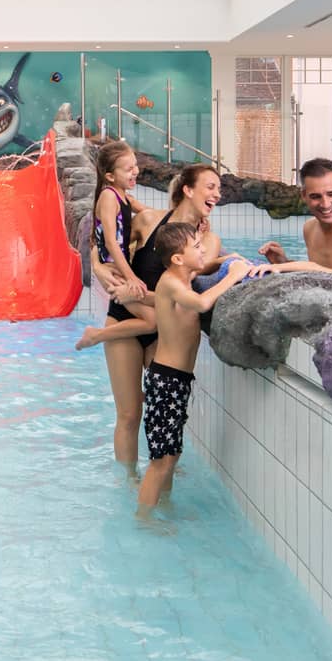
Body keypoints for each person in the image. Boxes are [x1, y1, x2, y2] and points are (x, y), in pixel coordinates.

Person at [77, 164, 238, 476]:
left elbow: (186, 285)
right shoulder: (149, 220)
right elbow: (106, 243)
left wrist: (227, 262)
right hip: (125, 320)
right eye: (210, 186)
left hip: (164, 330)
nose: (217, 194)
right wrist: (98, 268)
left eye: (219, 189)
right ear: (188, 190)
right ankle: (129, 481)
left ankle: (158, 471)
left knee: (157, 410)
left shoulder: (208, 242)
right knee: (128, 413)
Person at [137, 221, 245, 515]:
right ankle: (144, 518)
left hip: (178, 381)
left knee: (172, 454)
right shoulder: (171, 283)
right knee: (160, 460)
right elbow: (200, 303)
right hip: (166, 381)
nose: (203, 250)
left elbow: (205, 267)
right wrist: (232, 276)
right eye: (197, 247)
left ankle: (164, 505)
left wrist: (226, 260)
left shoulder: (182, 275)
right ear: (177, 259)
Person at [88, 142, 152, 328]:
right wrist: (130, 276)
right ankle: (95, 335)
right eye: (128, 169)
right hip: (113, 271)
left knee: (154, 311)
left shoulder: (125, 197)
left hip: (119, 268)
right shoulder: (109, 196)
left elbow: (154, 215)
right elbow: (110, 242)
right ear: (110, 176)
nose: (136, 171)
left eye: (135, 165)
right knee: (153, 320)